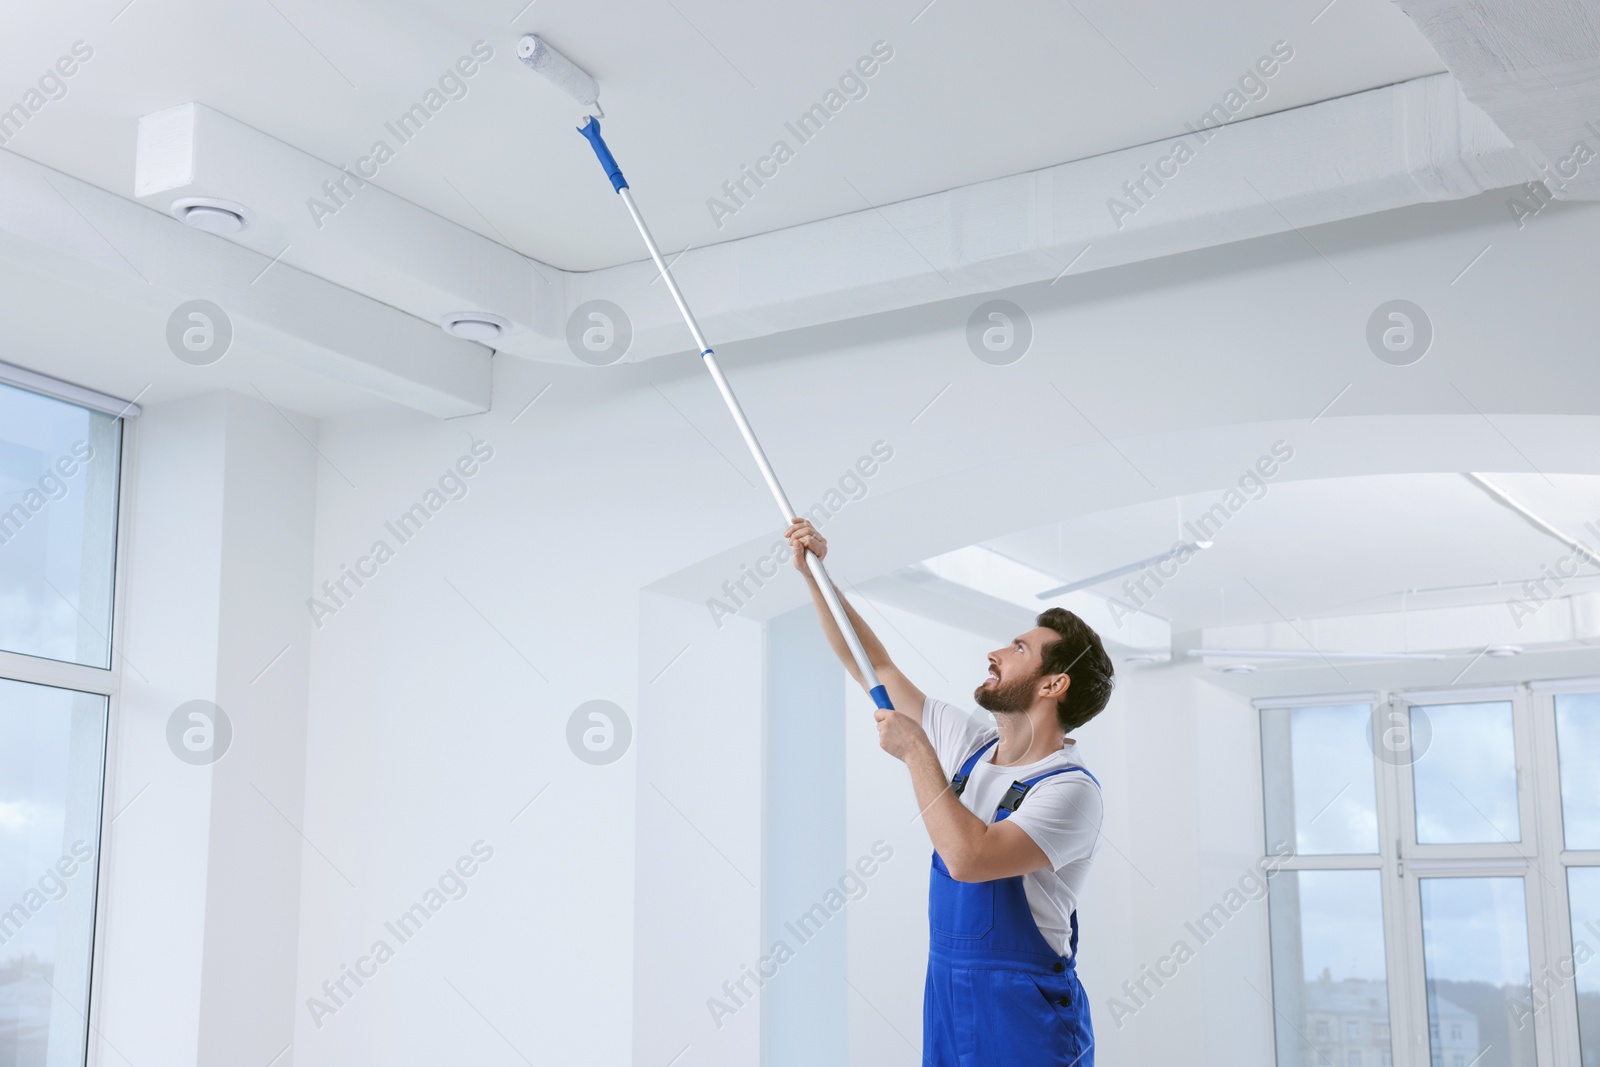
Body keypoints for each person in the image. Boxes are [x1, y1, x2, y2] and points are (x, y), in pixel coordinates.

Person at [784, 517, 1115, 1066]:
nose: (996, 653)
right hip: (946, 991)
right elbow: (875, 665)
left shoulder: (1071, 791)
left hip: (1024, 1013)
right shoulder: (969, 745)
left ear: (1054, 684)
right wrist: (817, 575)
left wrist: (917, 754)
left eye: (1017, 648)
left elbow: (968, 858)